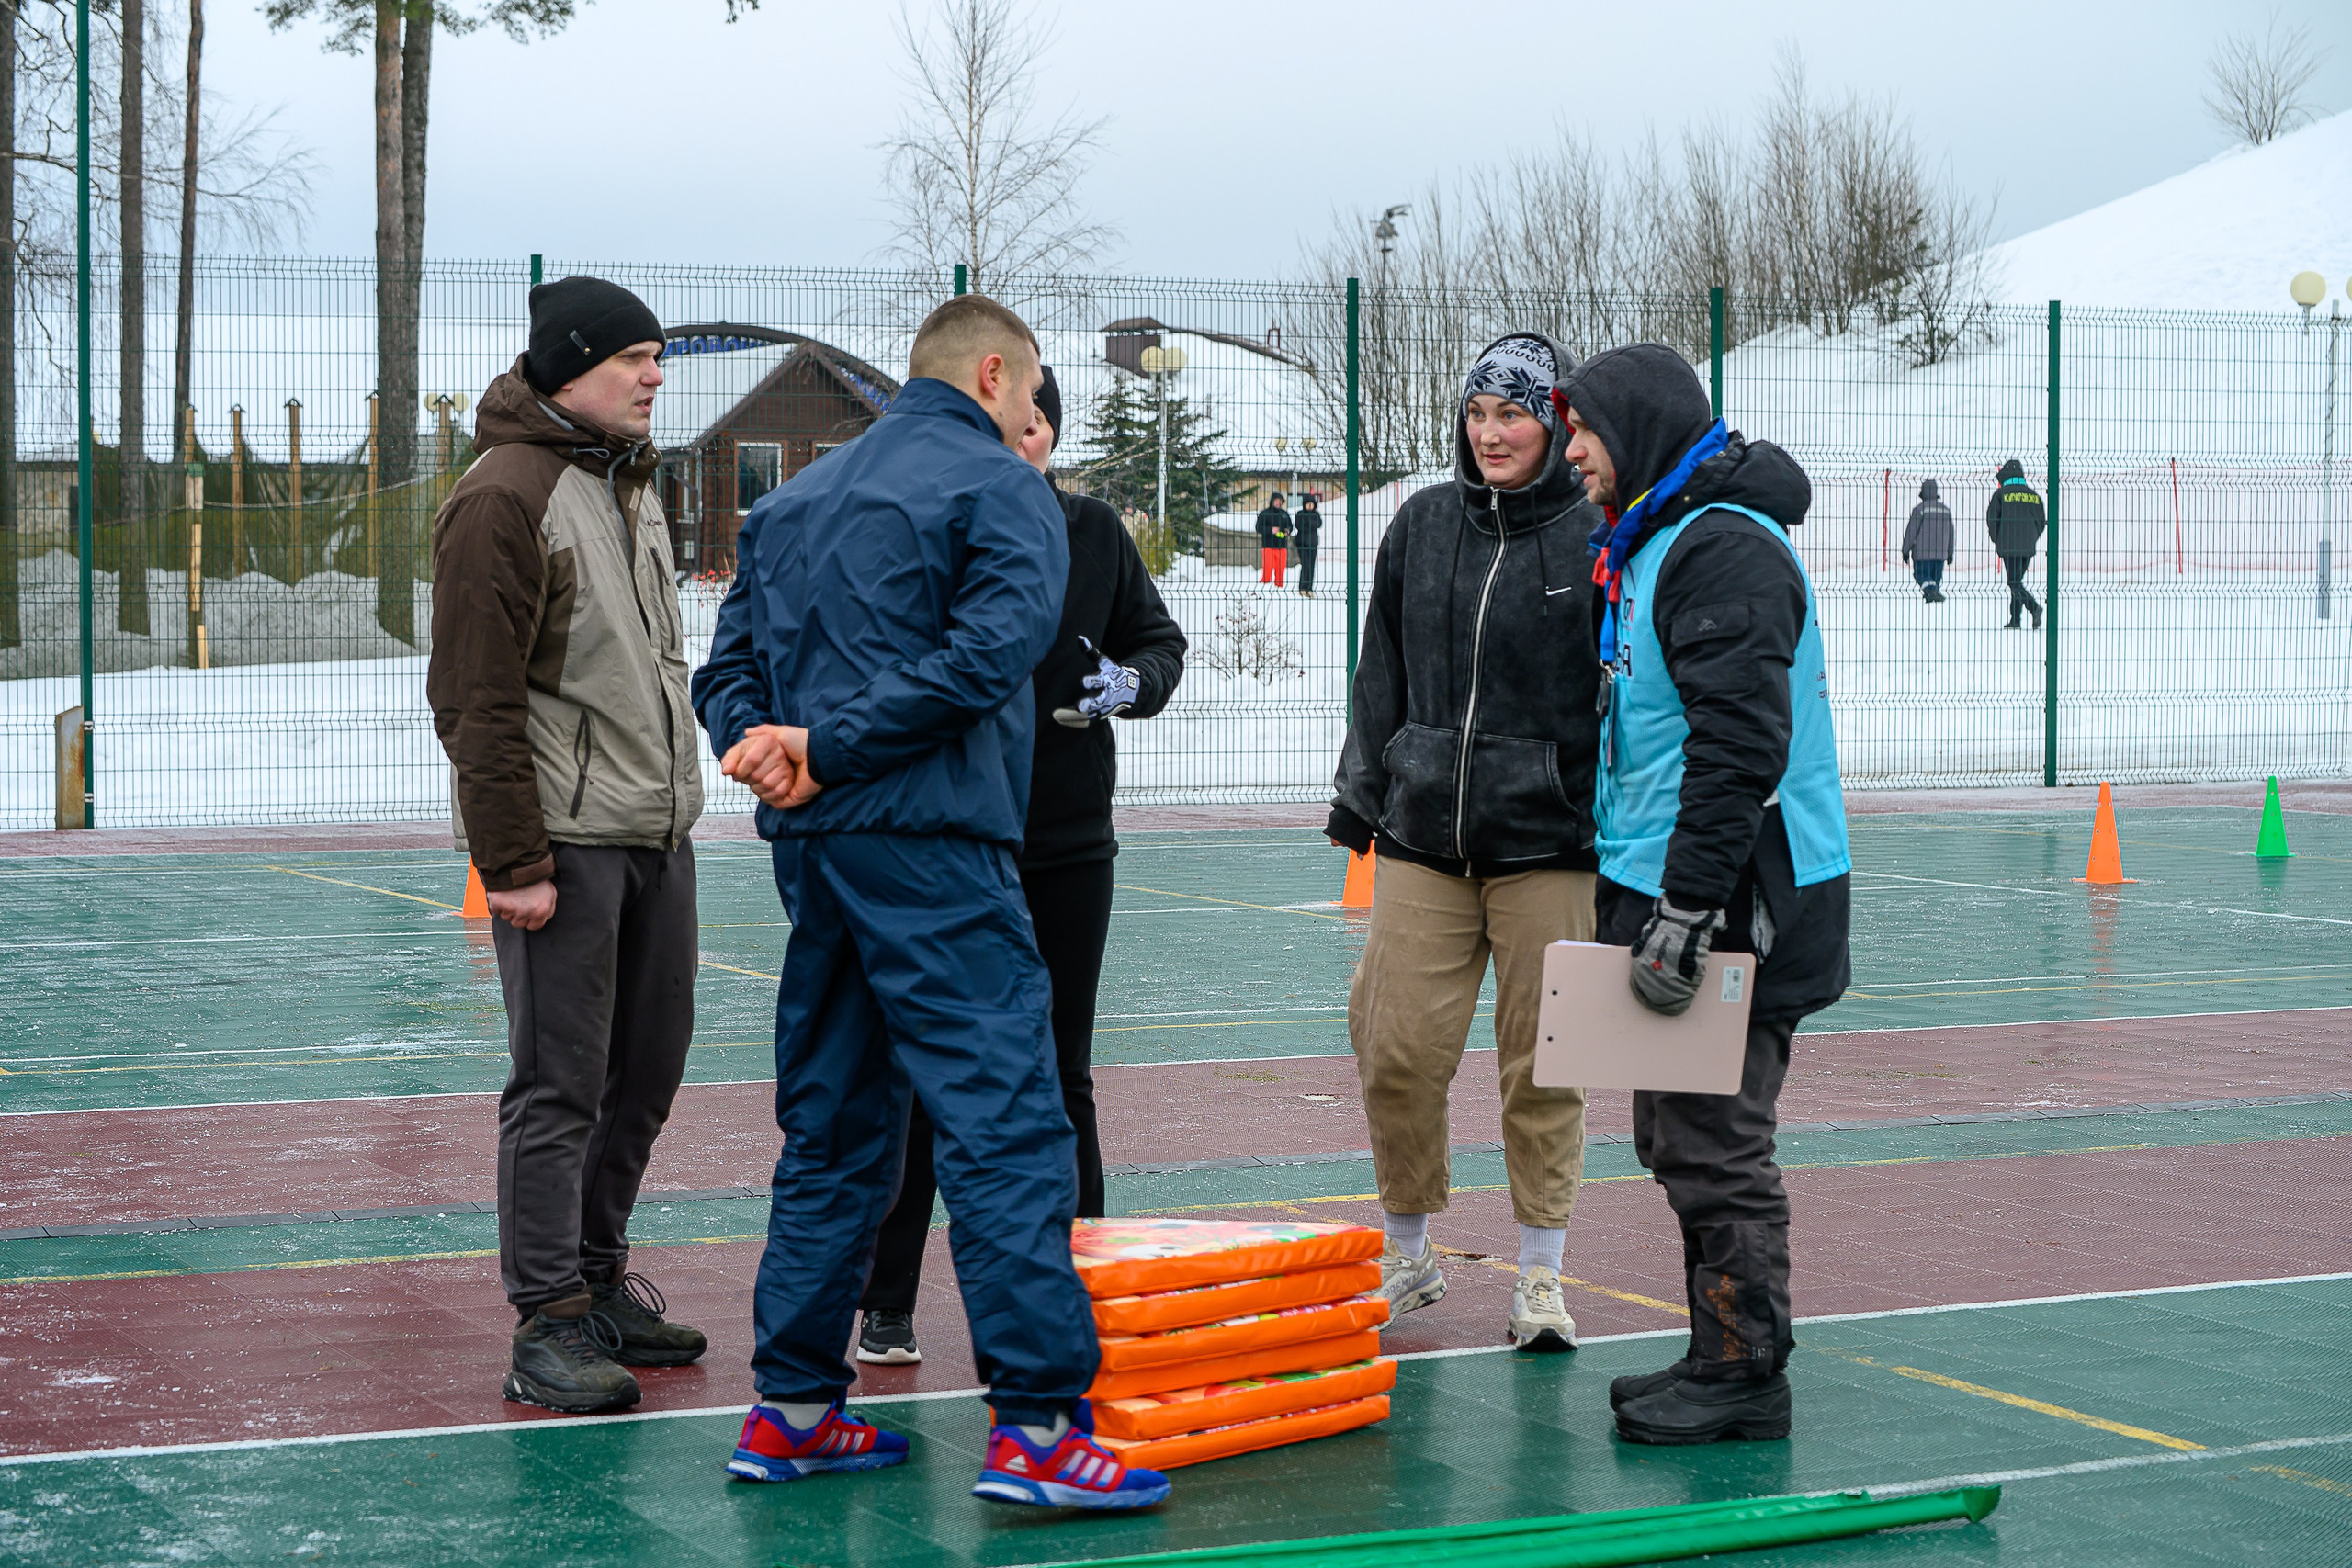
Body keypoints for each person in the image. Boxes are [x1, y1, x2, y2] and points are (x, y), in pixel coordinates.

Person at [689, 294, 1170, 1511]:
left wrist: (761, 743)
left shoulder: (794, 500)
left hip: (820, 854)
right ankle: (1041, 1428)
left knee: (837, 1123)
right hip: (935, 847)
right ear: (995, 373)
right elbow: (991, 653)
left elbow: (725, 666)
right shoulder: (1003, 487)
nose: (1036, 411)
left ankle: (795, 1409)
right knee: (1007, 1120)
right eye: (1035, 387)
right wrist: (828, 746)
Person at [853, 362, 1187, 1368]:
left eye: (1038, 424)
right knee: (924, 1070)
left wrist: (1127, 683)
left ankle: (1079, 1276)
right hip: (951, 841)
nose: (1022, 437)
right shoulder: (930, 527)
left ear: (1051, 437)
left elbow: (1159, 644)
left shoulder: (1093, 533)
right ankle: (887, 1298)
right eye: (1009, 421)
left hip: (1067, 841)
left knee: (1061, 1069)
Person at [1555, 343, 1852, 1447]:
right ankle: (1716, 1351)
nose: (1570, 452)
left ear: (1635, 429)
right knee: (1676, 1135)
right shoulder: (1654, 536)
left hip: (1736, 898)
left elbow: (1739, 750)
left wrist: (1685, 910)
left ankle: (1742, 1375)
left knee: (1717, 1139)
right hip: (1675, 883)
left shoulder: (1720, 549)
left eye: (1582, 430)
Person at [426, 276, 709, 1416]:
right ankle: (545, 1321)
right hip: (567, 842)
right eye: (633, 358)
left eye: (657, 357)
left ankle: (596, 1282)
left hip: (653, 830)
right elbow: (474, 696)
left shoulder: (623, 480)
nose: (654, 377)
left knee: (647, 1068)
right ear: (570, 366)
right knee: (561, 1085)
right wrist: (514, 864)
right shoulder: (506, 493)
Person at [1327, 332, 1601, 1354]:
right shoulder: (1422, 524)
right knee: (1393, 1047)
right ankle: (1409, 1253)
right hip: (1421, 835)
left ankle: (1540, 1275)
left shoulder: (1595, 535)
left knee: (1544, 1067)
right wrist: (1363, 795)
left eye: (1513, 413)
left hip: (1552, 845)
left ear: (1554, 424)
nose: (1490, 433)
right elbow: (1380, 670)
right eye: (1478, 412)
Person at [1987, 458, 2045, 629]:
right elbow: (2041, 521)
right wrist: (2032, 538)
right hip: (2028, 547)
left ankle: (2034, 607)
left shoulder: (2001, 495)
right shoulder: (2033, 496)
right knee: (2017, 581)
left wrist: (1998, 540)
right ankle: (2015, 619)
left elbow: (1992, 520)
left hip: (2008, 545)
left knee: (2014, 582)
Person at [1899, 479, 1953, 603]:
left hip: (1922, 554)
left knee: (1922, 575)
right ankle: (1933, 595)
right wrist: (1950, 553)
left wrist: (1905, 550)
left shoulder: (1920, 509)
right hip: (1940, 554)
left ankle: (1930, 591)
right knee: (1935, 578)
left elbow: (1911, 531)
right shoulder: (1945, 510)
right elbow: (1951, 533)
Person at [1256, 491, 1292, 586]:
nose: (1278, 503)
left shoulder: (1284, 514)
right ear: (1272, 501)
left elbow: (1290, 526)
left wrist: (1287, 530)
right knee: (1267, 567)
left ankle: (1279, 585)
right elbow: (1258, 527)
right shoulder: (1264, 513)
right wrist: (1271, 530)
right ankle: (1265, 584)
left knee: (1281, 567)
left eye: (1280, 501)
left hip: (1281, 545)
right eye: (1276, 500)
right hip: (1268, 545)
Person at [1294, 492, 1324, 596]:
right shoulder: (1300, 513)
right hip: (1302, 543)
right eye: (1308, 503)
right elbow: (1300, 526)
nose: (1310, 506)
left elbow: (1319, 524)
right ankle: (1302, 587)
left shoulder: (1316, 514)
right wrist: (1310, 524)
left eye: (1312, 504)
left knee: (1311, 566)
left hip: (1313, 543)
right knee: (1305, 565)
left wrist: (1309, 523)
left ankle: (1309, 588)